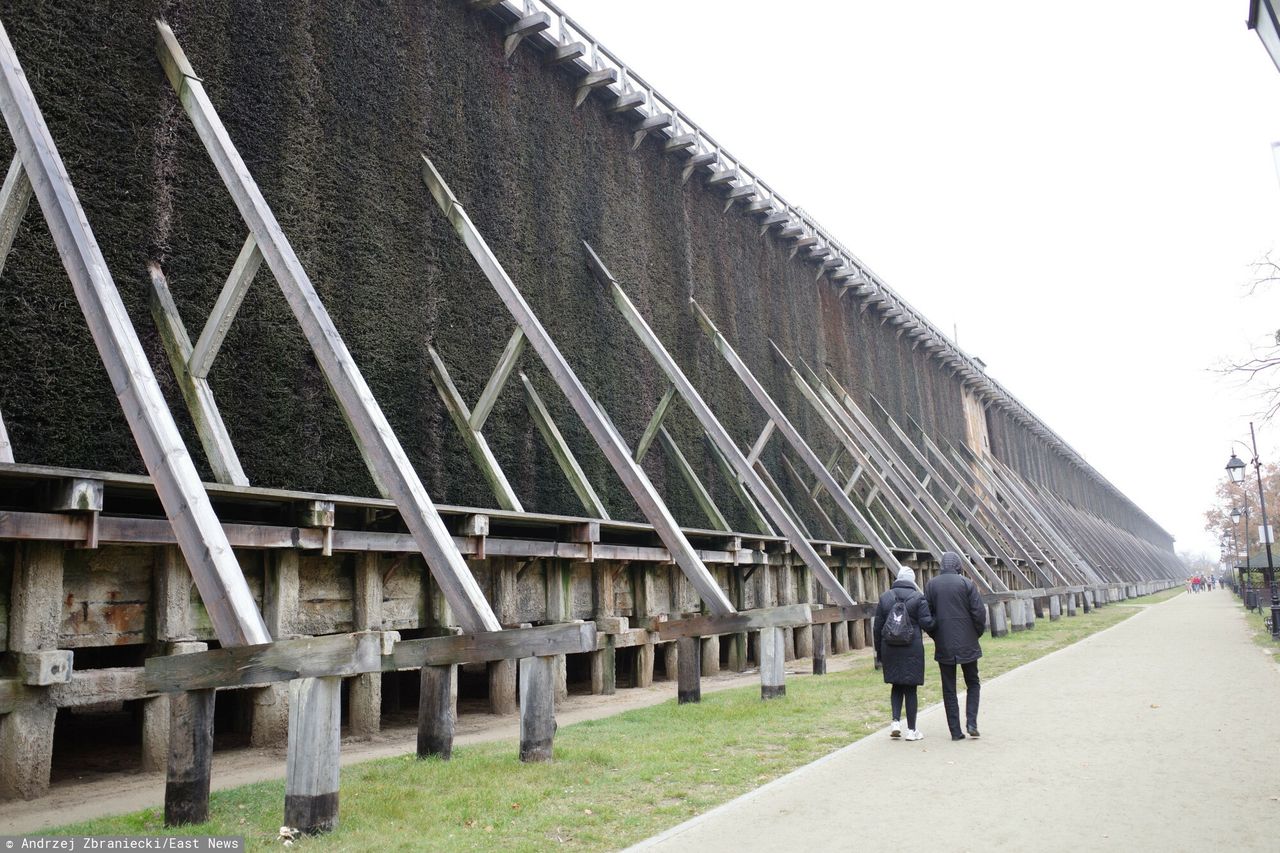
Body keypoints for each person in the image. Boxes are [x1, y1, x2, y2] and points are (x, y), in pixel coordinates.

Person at [925, 551, 987, 741]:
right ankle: (972, 722)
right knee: (973, 682)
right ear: (959, 566)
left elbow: (927, 617)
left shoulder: (931, 585)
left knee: (949, 688)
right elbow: (978, 613)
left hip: (944, 642)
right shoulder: (967, 584)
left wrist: (936, 635)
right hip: (968, 640)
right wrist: (975, 633)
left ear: (942, 566)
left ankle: (955, 731)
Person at [873, 566, 936, 742]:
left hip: (889, 648)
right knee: (910, 688)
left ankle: (895, 722)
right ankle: (911, 730)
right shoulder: (918, 597)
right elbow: (927, 624)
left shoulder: (885, 597)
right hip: (911, 648)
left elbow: (878, 627)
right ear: (912, 581)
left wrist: (880, 653)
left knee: (896, 685)